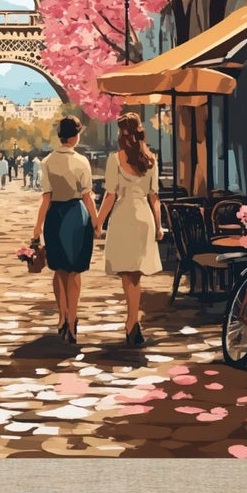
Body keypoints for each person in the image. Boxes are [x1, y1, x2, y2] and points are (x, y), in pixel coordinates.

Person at [94, 112, 164, 347]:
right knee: (136, 275)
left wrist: (99, 222)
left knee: (128, 275)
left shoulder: (116, 160)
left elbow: (110, 196)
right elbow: (155, 197)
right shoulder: (151, 160)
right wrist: (159, 224)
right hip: (143, 216)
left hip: (124, 217)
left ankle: (132, 321)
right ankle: (132, 320)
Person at [31, 117, 97, 344]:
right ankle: (73, 319)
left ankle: (61, 316)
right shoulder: (82, 162)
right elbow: (87, 196)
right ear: (75, 136)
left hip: (55, 216)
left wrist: (37, 227)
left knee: (58, 269)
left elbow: (46, 198)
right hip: (77, 216)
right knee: (75, 271)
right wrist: (96, 222)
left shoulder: (47, 161)